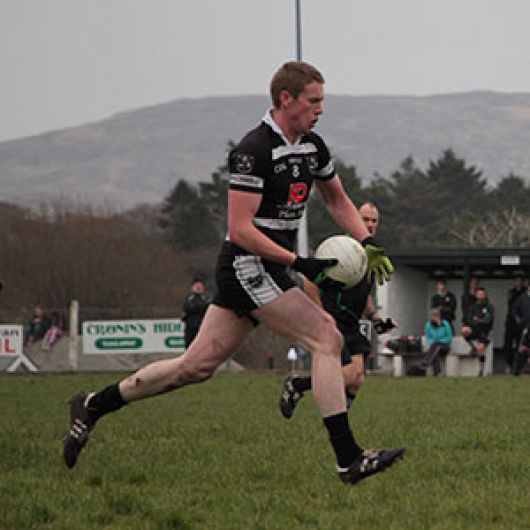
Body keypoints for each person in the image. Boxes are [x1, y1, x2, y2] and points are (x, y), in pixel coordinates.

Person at [62, 61, 403, 485]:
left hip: (269, 267)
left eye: (322, 101)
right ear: (286, 99)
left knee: (195, 367)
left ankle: (94, 405)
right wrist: (299, 263)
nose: (321, 109)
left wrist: (367, 244)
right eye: (314, 101)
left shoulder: (312, 146)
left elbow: (336, 199)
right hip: (246, 264)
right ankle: (349, 460)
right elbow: (241, 230)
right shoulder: (252, 150)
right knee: (327, 338)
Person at [279, 201, 397, 415]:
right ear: (353, 221)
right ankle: (301, 388)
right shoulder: (341, 249)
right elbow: (309, 279)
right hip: (334, 319)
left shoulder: (371, 254)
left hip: (351, 322)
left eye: (374, 221)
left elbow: (363, 292)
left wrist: (375, 317)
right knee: (351, 374)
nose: (370, 225)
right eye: (364, 220)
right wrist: (321, 314)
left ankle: (334, 416)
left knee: (357, 379)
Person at [461, 286, 494, 377]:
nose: (480, 296)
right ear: (476, 295)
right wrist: (478, 321)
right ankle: (473, 348)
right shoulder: (472, 307)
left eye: (482, 294)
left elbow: (488, 320)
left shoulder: (489, 307)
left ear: (485, 295)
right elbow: (469, 320)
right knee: (464, 330)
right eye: (478, 294)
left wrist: (478, 320)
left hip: (484, 331)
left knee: (481, 349)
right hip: (475, 329)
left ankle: (481, 370)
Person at [502, 274, 526, 372]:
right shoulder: (511, 292)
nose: (519, 283)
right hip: (511, 322)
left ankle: (519, 365)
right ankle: (509, 363)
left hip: (522, 321)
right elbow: (512, 305)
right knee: (507, 344)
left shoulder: (525, 292)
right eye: (517, 281)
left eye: (520, 281)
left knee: (520, 344)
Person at [422, 307, 452, 376]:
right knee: (436, 352)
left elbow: (449, 338)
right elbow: (428, 338)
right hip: (434, 346)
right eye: (433, 315)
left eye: (436, 315)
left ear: (439, 316)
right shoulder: (428, 325)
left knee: (436, 347)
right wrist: (435, 342)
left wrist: (439, 341)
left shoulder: (445, 324)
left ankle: (427, 360)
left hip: (445, 346)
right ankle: (437, 372)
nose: (435, 317)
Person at [181, 277, 210, 348]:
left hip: (202, 327)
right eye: (196, 286)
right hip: (190, 327)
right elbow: (187, 308)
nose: (198, 288)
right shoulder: (189, 298)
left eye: (200, 286)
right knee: (189, 345)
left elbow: (207, 308)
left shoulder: (206, 298)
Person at [511, 284, 530, 376]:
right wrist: (519, 321)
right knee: (522, 348)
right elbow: (514, 311)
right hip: (525, 328)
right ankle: (516, 371)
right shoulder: (522, 298)